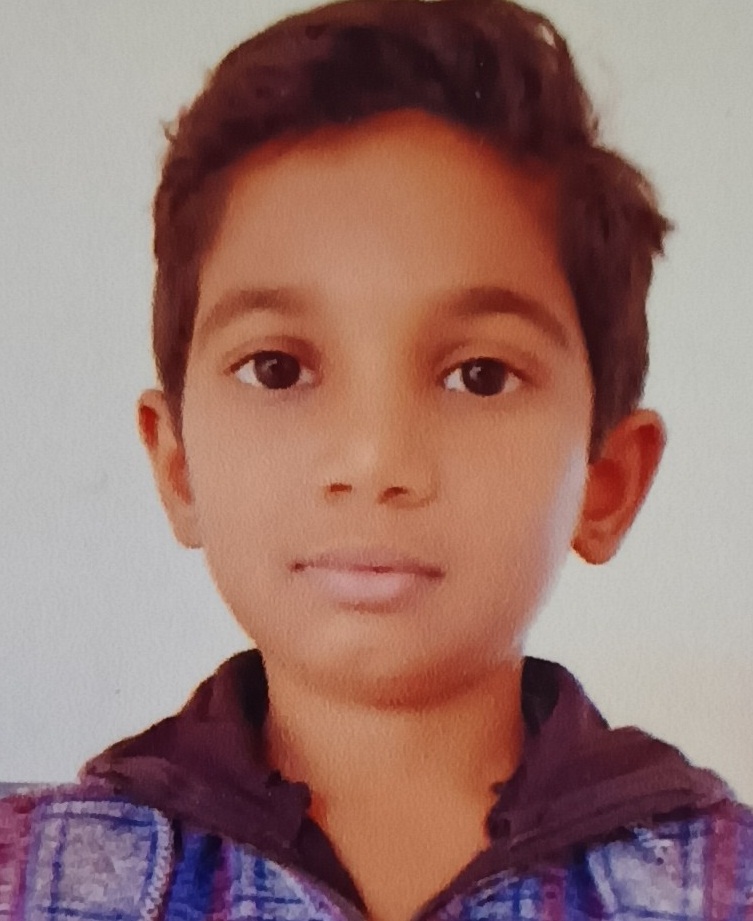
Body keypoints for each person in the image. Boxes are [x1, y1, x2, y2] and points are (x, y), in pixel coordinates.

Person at [2, 2, 751, 920]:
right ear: (177, 461)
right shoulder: (28, 877)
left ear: (607, 482)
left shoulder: (726, 885)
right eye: (277, 368)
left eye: (479, 375)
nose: (373, 459)